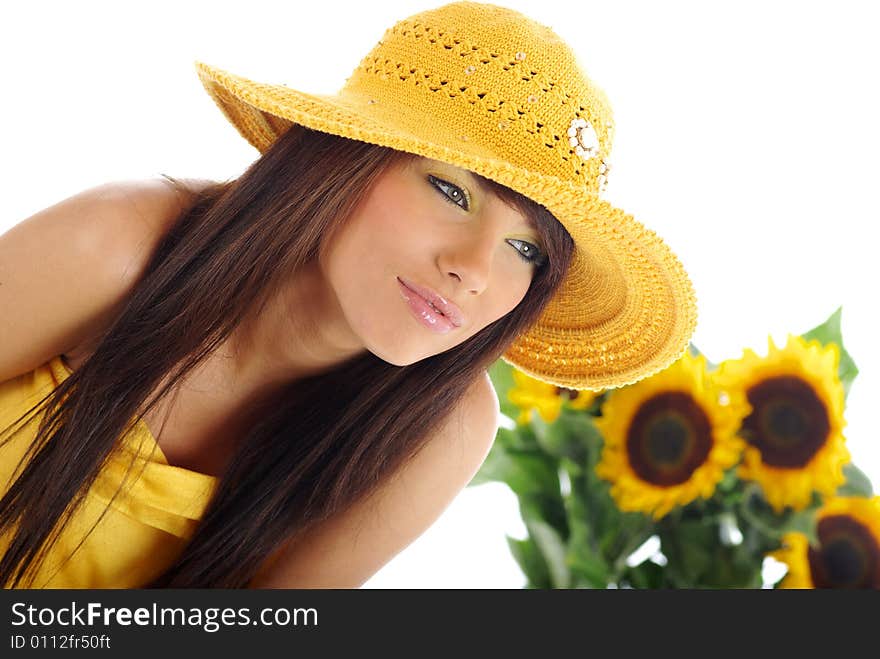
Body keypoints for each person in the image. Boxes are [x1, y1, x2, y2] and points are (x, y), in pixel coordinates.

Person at [0, 1, 697, 588]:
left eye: (527, 250)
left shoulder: (437, 427)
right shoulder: (119, 245)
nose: (475, 269)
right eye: (452, 190)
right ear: (344, 156)